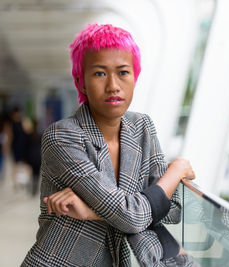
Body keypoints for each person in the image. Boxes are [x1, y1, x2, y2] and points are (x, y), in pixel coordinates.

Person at [22, 23, 195, 266]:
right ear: (81, 82)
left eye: (123, 72)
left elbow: (174, 209)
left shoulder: (142, 127)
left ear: (135, 78)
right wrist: (176, 169)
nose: (113, 85)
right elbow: (135, 216)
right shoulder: (62, 137)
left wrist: (92, 212)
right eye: (100, 73)